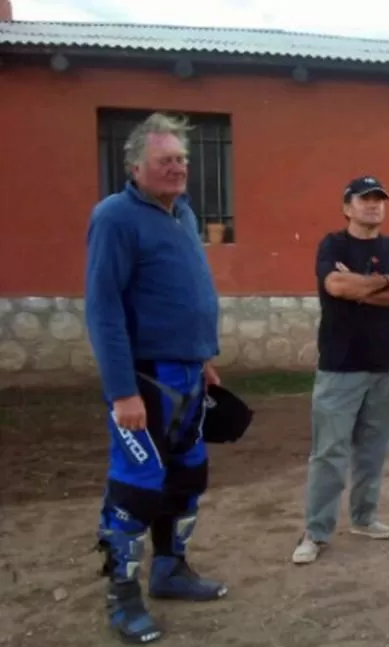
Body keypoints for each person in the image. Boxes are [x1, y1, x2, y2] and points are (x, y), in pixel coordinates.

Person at [84, 112, 227, 645]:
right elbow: (103, 309)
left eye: (183, 159)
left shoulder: (182, 214)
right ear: (136, 166)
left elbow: (183, 294)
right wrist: (122, 391)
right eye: (166, 160)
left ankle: (170, 570)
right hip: (145, 381)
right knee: (136, 488)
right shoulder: (116, 216)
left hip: (189, 375)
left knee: (187, 479)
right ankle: (123, 599)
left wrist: (204, 356)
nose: (178, 168)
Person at [292, 175, 389, 565]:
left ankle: (365, 518)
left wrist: (363, 289)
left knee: (372, 452)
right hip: (340, 369)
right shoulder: (332, 245)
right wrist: (384, 283)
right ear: (347, 207)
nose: (373, 205)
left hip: (387, 369)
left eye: (379, 199)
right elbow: (336, 286)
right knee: (329, 453)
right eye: (364, 199)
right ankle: (315, 533)